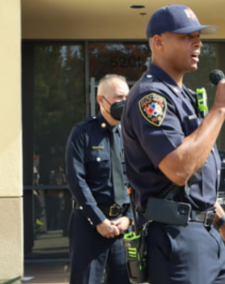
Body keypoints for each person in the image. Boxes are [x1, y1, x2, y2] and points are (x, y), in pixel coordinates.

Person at [122, 5, 225, 283]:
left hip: (207, 236)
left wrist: (223, 223)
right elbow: (179, 169)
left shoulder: (185, 96)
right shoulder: (151, 98)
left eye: (198, 36)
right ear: (158, 42)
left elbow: (195, 178)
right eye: (185, 36)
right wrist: (219, 110)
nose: (198, 43)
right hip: (177, 238)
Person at [66, 74, 132, 284]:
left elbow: (137, 180)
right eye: (119, 97)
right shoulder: (82, 133)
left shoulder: (131, 135)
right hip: (89, 225)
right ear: (101, 100)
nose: (124, 102)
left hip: (122, 227)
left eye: (127, 97)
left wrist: (128, 217)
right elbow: (76, 180)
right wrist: (99, 220)